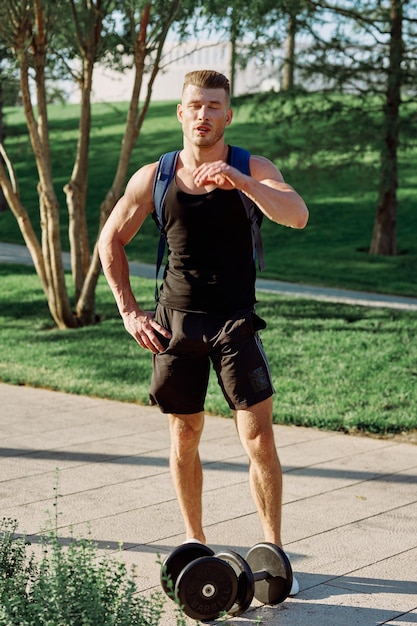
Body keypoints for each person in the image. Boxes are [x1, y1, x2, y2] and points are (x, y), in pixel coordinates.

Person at [98, 69, 308, 596]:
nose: (203, 114)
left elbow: (297, 215)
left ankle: (274, 553)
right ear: (181, 113)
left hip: (235, 320)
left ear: (228, 115)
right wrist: (129, 312)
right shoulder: (156, 176)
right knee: (184, 434)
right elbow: (110, 242)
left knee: (257, 437)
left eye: (214, 106)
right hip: (175, 324)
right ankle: (194, 544)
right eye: (195, 105)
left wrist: (241, 182)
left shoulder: (250, 166)